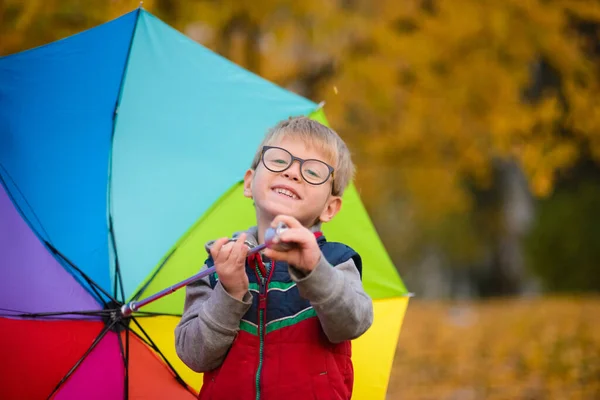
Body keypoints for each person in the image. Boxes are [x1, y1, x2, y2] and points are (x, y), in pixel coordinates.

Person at [174, 116, 374, 400]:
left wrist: (314, 271)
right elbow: (194, 355)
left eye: (313, 171)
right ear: (249, 183)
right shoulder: (219, 266)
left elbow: (353, 322)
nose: (292, 173)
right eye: (279, 161)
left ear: (330, 208)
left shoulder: (334, 263)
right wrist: (229, 292)